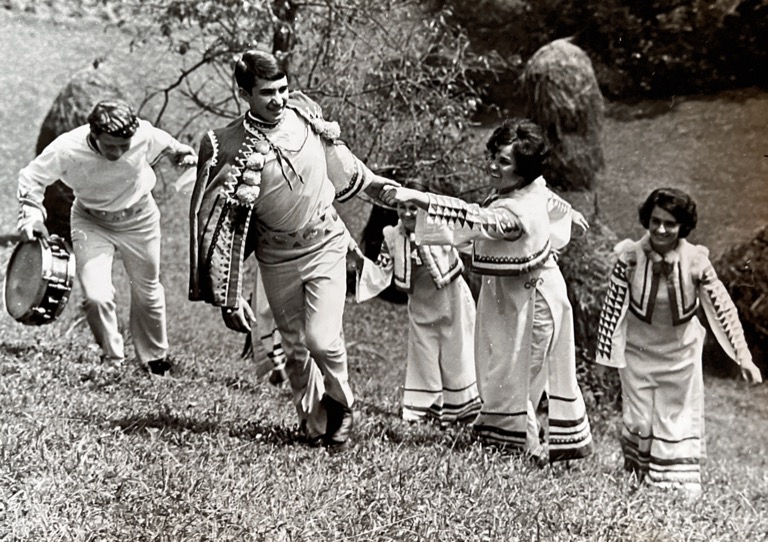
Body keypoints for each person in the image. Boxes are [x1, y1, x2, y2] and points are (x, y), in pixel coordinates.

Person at [189, 49, 397, 451]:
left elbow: (344, 166)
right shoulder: (224, 145)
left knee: (321, 340)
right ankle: (316, 427)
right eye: (267, 92)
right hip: (276, 257)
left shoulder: (306, 116)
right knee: (295, 351)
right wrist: (228, 297)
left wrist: (382, 190)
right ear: (244, 94)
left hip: (325, 244)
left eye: (283, 88)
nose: (278, 99)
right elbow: (213, 223)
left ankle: (341, 404)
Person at [382, 118, 593, 464]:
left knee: (518, 371)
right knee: (503, 367)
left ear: (523, 169)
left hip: (534, 299)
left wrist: (423, 199)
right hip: (511, 296)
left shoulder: (516, 211)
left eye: (504, 161)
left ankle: (525, 446)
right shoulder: (520, 191)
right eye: (493, 156)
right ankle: (512, 439)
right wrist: (570, 215)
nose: (494, 166)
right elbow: (549, 198)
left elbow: (477, 220)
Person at [596, 187, 762, 497]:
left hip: (680, 356)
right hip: (637, 354)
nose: (661, 230)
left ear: (683, 226)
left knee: (674, 419)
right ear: (647, 220)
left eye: (670, 224)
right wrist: (605, 359)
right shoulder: (629, 258)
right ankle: (638, 473)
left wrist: (744, 357)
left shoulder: (696, 261)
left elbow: (723, 309)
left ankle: (671, 486)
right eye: (655, 221)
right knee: (640, 421)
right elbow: (612, 310)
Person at [17, 99, 197, 375]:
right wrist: (31, 217)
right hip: (91, 221)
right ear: (93, 134)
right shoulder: (67, 148)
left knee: (147, 291)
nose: (118, 152)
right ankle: (112, 360)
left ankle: (154, 360)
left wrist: (181, 157)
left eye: (124, 146)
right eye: (110, 146)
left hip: (140, 219)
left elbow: (172, 148)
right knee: (96, 296)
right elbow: (31, 177)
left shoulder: (144, 133)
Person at [354, 181, 482, 425]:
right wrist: (359, 262)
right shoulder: (392, 237)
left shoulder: (440, 227)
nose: (407, 213)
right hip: (421, 306)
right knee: (424, 356)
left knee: (457, 352)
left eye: (413, 207)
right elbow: (381, 271)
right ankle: (426, 409)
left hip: (452, 300)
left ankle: (463, 408)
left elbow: (471, 240)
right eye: (402, 207)